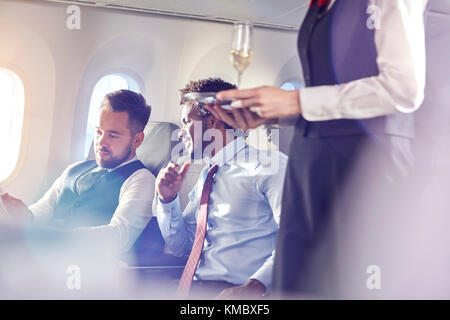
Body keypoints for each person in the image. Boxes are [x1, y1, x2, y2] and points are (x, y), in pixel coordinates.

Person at [209, 0, 428, 298]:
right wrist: (273, 113)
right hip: (309, 163)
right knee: (294, 284)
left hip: (365, 166)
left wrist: (297, 100)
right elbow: (329, 91)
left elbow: (404, 89)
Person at [155, 78, 288, 299]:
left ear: (214, 122)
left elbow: (292, 238)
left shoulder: (268, 166)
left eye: (187, 122)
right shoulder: (207, 175)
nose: (180, 133)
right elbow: (183, 247)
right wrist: (167, 201)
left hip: (240, 292)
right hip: (193, 290)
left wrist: (254, 287)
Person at [1, 89, 158, 254]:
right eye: (99, 131)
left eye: (113, 135)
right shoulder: (75, 170)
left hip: (84, 268)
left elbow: (119, 236)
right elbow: (43, 211)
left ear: (137, 140)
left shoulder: (141, 179)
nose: (101, 142)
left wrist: (52, 238)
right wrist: (23, 215)